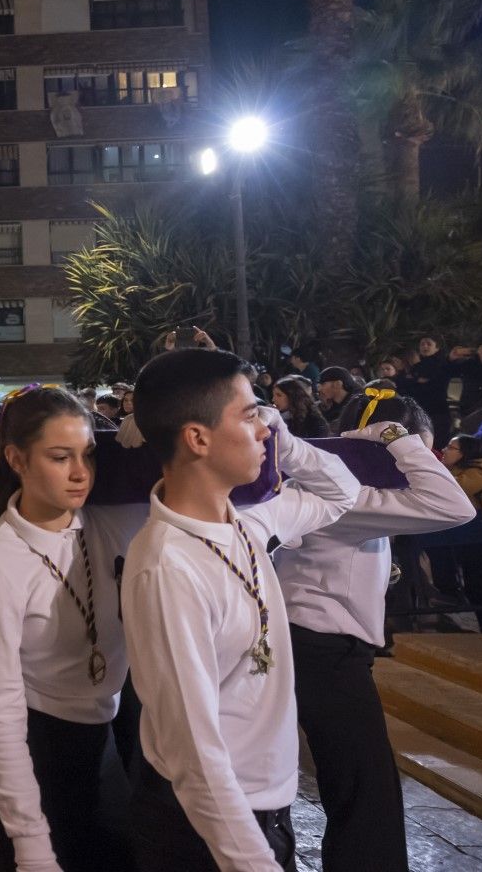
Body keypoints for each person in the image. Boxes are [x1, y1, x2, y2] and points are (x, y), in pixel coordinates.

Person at [119, 348, 358, 872]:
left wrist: (289, 444)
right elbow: (193, 751)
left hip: (264, 806)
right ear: (197, 438)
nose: (265, 429)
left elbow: (343, 492)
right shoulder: (167, 567)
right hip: (208, 828)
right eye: (251, 415)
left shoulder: (246, 525)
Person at [277, 391, 474, 871]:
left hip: (304, 642)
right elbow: (455, 507)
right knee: (366, 792)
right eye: (422, 455)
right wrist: (397, 440)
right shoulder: (346, 496)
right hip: (325, 648)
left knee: (337, 781)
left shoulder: (325, 485)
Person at [0, 387, 146, 872]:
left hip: (103, 738)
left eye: (88, 454)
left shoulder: (112, 522)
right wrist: (28, 837)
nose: (80, 472)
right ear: (17, 459)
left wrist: (156, 423)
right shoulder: (0, 559)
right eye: (60, 457)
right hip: (30, 749)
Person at [430, 434, 482, 635]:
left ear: (466, 453)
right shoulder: (460, 470)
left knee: (478, 590)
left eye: (451, 447)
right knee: (476, 590)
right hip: (470, 538)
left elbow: (454, 489)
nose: (445, 450)